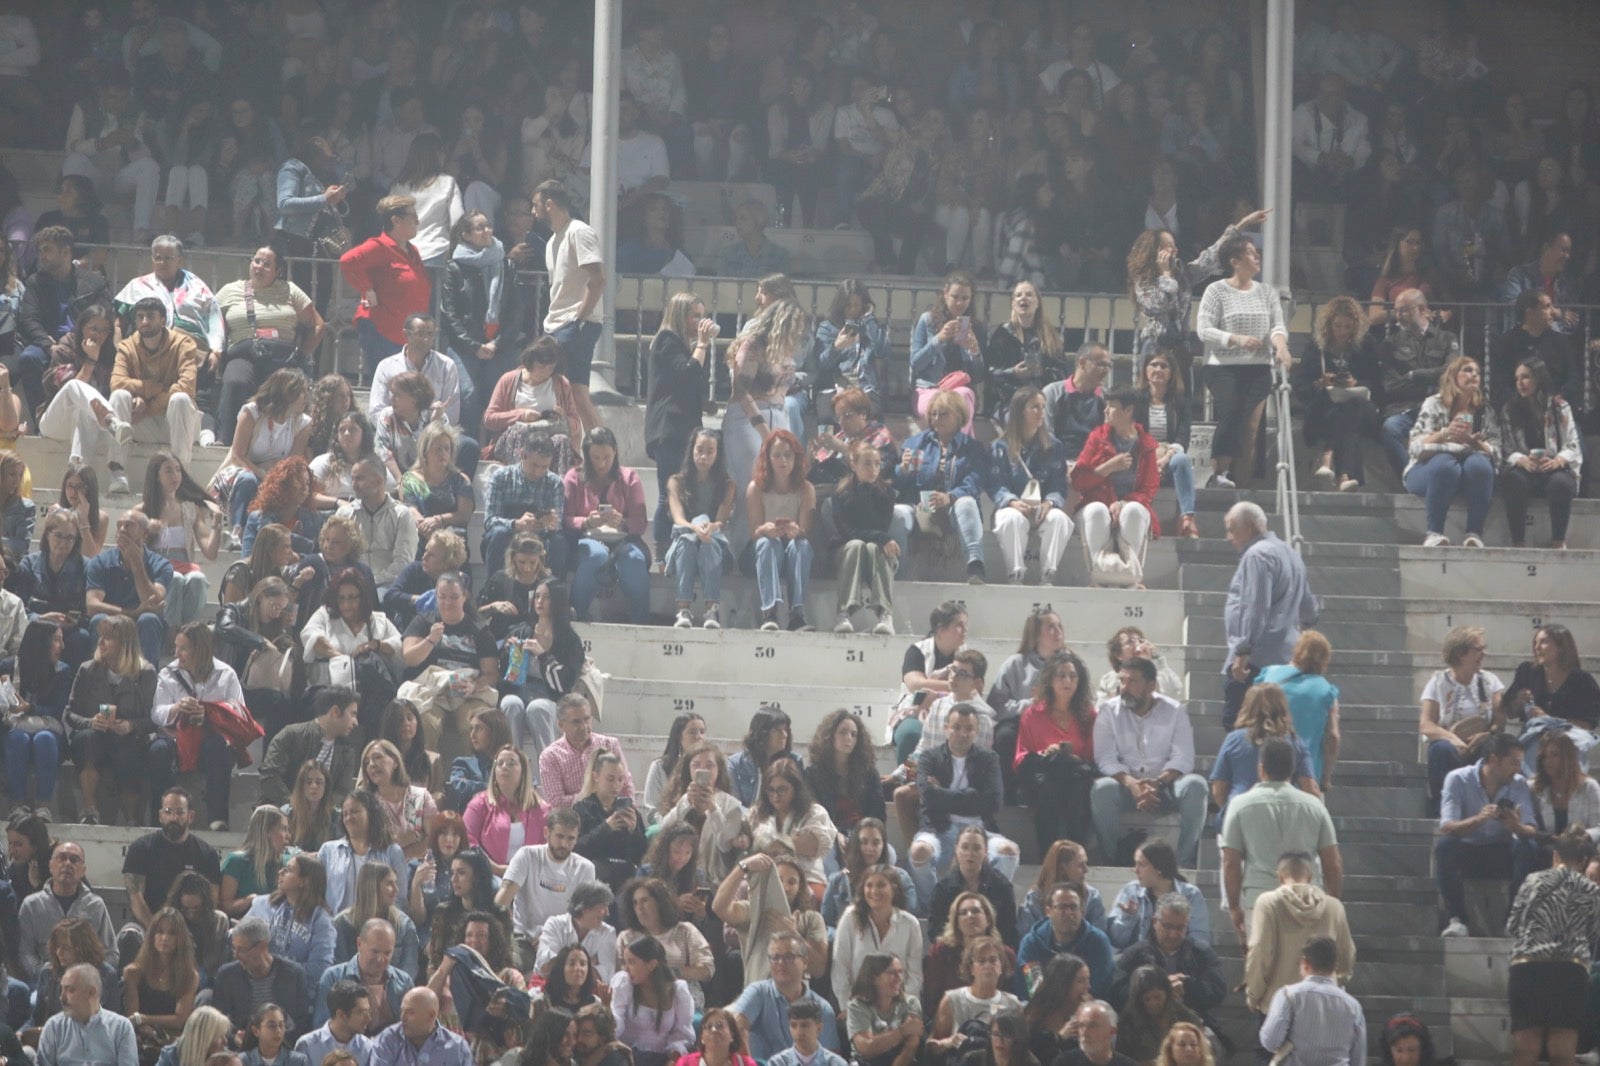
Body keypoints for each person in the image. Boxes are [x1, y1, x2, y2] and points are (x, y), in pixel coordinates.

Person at [1220, 734, 1342, 940]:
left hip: (1259, 903)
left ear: (1261, 768)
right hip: (1308, 903)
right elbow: (1333, 863)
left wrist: (1234, 907)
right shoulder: (1315, 806)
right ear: (1292, 770)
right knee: (1306, 968)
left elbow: (1231, 863)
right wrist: (1332, 904)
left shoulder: (1239, 805)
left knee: (1264, 969)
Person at [1194, 233, 1291, 488]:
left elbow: (1276, 326)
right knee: (1232, 410)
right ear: (1235, 261)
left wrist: (1281, 348)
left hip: (1258, 367)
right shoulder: (1216, 290)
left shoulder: (1267, 292)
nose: (1256, 255)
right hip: (1222, 366)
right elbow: (1204, 329)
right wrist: (1235, 338)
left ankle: (1244, 484)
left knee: (1251, 429)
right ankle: (1219, 474)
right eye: (1250, 252)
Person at [1091, 659, 1208, 866]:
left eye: (1132, 682)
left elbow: (1183, 757)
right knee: (1101, 789)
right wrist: (1132, 784)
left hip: (1165, 786)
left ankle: (1184, 863)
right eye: (1122, 681)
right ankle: (1109, 860)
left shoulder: (1174, 710)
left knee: (1196, 785)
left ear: (1151, 685)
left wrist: (1158, 783)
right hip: (1126, 787)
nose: (1124, 688)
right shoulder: (1109, 711)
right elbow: (1105, 758)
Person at [1221, 501, 1319, 729]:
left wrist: (1243, 649)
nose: (1228, 537)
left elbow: (1255, 606)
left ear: (1250, 528)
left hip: (1255, 663)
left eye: (1231, 529)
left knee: (1241, 730)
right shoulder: (1291, 554)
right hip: (1285, 661)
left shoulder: (1256, 555)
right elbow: (1310, 610)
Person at [1508, 827, 1600, 1066]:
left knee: (1524, 1051)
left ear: (1555, 855)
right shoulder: (1591, 890)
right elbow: (1593, 934)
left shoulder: (1532, 880)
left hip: (1527, 968)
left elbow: (1513, 926)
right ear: (1583, 860)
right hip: (1569, 971)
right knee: (1562, 1053)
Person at [212, 248, 321, 446]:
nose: (259, 267)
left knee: (288, 387)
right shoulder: (230, 290)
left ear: (278, 270)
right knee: (235, 380)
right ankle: (225, 440)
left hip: (282, 356)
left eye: (266, 264)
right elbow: (211, 323)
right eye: (257, 261)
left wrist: (302, 353)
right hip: (243, 352)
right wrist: (215, 352)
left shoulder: (290, 290)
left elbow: (318, 326)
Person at [1436, 732, 1541, 938]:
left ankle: (1513, 919)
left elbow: (1531, 829)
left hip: (1502, 851)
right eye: (1514, 762)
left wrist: (1515, 826)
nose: (1518, 769)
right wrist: (1479, 819)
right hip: (1468, 849)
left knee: (1529, 847)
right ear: (1494, 759)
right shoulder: (1457, 779)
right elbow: (1447, 827)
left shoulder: (1519, 783)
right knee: (1444, 846)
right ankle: (1457, 919)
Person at [147, 625, 248, 829]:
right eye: (176, 647)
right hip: (177, 738)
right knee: (158, 750)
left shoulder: (226, 674)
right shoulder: (168, 674)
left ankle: (217, 819)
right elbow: (156, 713)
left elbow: (240, 711)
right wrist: (177, 708)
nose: (176, 654)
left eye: (183, 648)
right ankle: (161, 820)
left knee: (219, 748)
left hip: (210, 741)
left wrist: (209, 715)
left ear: (200, 649)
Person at [398, 572, 499, 763]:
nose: (447, 603)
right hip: (433, 691)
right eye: (442, 597)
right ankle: (425, 779)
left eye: (453, 597)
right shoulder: (424, 621)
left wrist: (475, 685)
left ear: (464, 597)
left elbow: (491, 673)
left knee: (475, 724)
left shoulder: (479, 629)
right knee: (425, 722)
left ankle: (471, 778)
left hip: (467, 692)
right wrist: (430, 640)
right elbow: (409, 658)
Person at [1406, 351, 1503, 551]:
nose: (1474, 375)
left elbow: (1498, 453)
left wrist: (1476, 444)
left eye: (1477, 371)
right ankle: (1434, 533)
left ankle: (1474, 533)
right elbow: (1415, 446)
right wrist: (1445, 433)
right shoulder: (1434, 403)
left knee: (1480, 465)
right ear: (1453, 377)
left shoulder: (1485, 411)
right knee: (1445, 464)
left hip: (1470, 476)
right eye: (1467, 370)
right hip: (1429, 470)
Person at [645, 294, 715, 557]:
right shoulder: (666, 340)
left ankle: (676, 548)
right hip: (669, 428)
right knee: (669, 491)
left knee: (681, 491)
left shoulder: (681, 344)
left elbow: (681, 384)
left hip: (683, 426)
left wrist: (703, 402)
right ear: (680, 315)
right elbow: (687, 372)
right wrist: (704, 344)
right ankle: (661, 550)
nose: (699, 321)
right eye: (694, 315)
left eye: (702, 315)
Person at [892, 391, 987, 583]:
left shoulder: (973, 448)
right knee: (897, 512)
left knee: (967, 502)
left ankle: (975, 566)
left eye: (943, 414)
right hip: (919, 506)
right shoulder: (914, 443)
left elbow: (976, 481)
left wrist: (950, 497)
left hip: (953, 505)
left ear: (959, 415)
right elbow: (898, 484)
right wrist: (902, 469)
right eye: (934, 414)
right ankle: (896, 571)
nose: (937, 419)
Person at [533, 180, 604, 436]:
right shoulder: (552, 241)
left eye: (535, 205)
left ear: (549, 204)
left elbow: (598, 278)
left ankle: (596, 452)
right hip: (558, 324)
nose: (533, 211)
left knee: (549, 383)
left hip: (574, 325)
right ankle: (597, 450)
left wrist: (579, 319)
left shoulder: (579, 232)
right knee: (575, 392)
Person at [1245, 851, 1355, 1015]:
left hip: (1276, 1004)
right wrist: (1335, 981)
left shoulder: (1267, 903)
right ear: (1310, 876)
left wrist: (1253, 994)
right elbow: (1347, 954)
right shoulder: (1334, 907)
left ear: (1280, 877)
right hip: (1323, 1005)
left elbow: (1259, 950)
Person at [1071, 388, 1160, 587]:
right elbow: (1078, 480)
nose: (1105, 411)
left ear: (1128, 411)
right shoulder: (1097, 437)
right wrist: (1108, 467)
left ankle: (1131, 579)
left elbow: (1149, 488)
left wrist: (1123, 502)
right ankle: (1097, 578)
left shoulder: (1146, 444)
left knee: (1135, 511)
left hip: (1128, 505)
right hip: (1097, 504)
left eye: (1111, 407)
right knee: (1097, 511)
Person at [339, 195, 429, 385]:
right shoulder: (378, 246)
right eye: (413, 217)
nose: (418, 221)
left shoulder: (412, 251)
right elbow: (348, 261)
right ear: (396, 221)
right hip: (383, 331)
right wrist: (367, 288)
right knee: (389, 388)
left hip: (402, 332)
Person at [1295, 295, 1382, 491]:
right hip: (1326, 409)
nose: (1342, 332)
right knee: (1342, 414)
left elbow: (1379, 384)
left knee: (1353, 407)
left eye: (1347, 327)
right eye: (1338, 326)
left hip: (1362, 406)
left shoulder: (1366, 346)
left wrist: (1356, 382)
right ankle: (1345, 476)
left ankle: (1326, 457)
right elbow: (1301, 387)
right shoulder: (1316, 348)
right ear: (1329, 325)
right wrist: (1320, 383)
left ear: (1355, 327)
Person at [564, 426, 649, 624]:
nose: (601, 464)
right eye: (595, 458)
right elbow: (564, 518)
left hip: (623, 540)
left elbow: (640, 522)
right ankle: (576, 613)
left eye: (607, 457)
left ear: (615, 453)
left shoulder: (629, 478)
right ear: (587, 455)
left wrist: (623, 523)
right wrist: (585, 521)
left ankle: (641, 621)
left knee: (634, 559)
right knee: (596, 555)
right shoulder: (573, 477)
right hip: (585, 539)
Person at [1108, 889, 1227, 1028]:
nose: (1173, 934)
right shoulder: (1135, 953)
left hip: (1190, 1025)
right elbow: (1115, 992)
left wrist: (1187, 987)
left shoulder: (1201, 953)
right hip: (1142, 1025)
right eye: (1168, 926)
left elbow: (1218, 992)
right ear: (1154, 922)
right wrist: (1151, 990)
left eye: (1180, 928)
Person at [987, 388, 1070, 586]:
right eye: (1035, 407)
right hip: (1012, 508)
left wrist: (1050, 502)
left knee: (1060, 519)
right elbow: (995, 484)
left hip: (1041, 509)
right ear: (1020, 411)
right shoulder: (1000, 447)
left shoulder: (1054, 446)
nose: (1041, 412)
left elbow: (1058, 484)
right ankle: (1015, 575)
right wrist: (1013, 502)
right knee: (1011, 519)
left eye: (1043, 407)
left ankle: (1048, 574)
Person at [1499, 356, 1580, 549]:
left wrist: (1558, 460)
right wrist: (1521, 460)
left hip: (1552, 467)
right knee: (1513, 479)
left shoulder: (1560, 406)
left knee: (1561, 483)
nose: (1520, 383)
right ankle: (1518, 542)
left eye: (1525, 377)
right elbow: (1506, 448)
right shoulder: (1510, 408)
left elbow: (1573, 444)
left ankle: (1558, 541)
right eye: (1517, 379)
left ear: (1538, 378)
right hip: (1525, 468)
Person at [1210, 684, 1321, 824]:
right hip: (1281, 818)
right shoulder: (1295, 742)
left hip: (1238, 814)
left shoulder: (1233, 740)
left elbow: (1218, 789)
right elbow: (1310, 789)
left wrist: (1230, 812)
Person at [1378, 289, 1461, 475]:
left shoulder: (1447, 339)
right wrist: (1431, 383)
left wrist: (1414, 375)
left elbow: (1452, 374)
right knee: (1390, 428)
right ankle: (1413, 475)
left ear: (1422, 309)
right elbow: (1391, 385)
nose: (1398, 316)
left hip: (1440, 407)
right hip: (1405, 408)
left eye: (1404, 310)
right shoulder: (1390, 344)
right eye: (1396, 311)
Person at [496, 806, 597, 954]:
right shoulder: (526, 856)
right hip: (524, 939)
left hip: (564, 943)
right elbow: (502, 901)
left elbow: (585, 918)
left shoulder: (586, 868)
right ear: (546, 833)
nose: (564, 844)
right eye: (560, 836)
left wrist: (552, 937)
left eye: (570, 838)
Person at [730, 930, 841, 1062]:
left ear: (805, 963)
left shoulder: (822, 1008)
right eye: (775, 957)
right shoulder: (758, 992)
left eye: (789, 957)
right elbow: (735, 1028)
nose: (781, 963)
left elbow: (832, 1057)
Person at [744, 429, 816, 632]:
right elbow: (753, 533)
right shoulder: (755, 488)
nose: (783, 461)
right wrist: (766, 529)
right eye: (777, 455)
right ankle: (770, 612)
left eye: (788, 455)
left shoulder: (806, 488)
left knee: (801, 545)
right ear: (768, 459)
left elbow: (806, 531)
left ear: (796, 458)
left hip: (791, 550)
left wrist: (795, 530)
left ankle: (796, 613)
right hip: (760, 552)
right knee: (768, 543)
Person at [18, 841, 119, 983]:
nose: (67, 863)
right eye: (62, 858)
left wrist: (88, 975)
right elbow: (25, 953)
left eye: (74, 860)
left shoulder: (95, 905)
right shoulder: (31, 905)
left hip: (87, 982)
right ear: (50, 866)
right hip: (47, 981)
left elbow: (110, 953)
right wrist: (45, 973)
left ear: (83, 870)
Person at [665, 429, 735, 630]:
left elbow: (720, 521)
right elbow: (678, 518)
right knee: (688, 541)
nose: (704, 456)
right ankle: (683, 609)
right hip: (684, 542)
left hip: (715, 546)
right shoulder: (676, 481)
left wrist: (709, 528)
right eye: (700, 450)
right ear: (692, 450)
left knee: (708, 543)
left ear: (718, 454)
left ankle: (711, 609)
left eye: (710, 451)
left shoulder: (728, 485)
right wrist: (695, 527)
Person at [1258, 938, 1366, 1066]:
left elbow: (1270, 1042)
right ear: (1335, 966)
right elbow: (1358, 1059)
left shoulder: (1288, 996)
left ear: (1305, 962)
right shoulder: (1354, 1006)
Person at [1256, 632, 1343, 790]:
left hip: (1264, 770)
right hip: (1306, 778)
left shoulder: (1268, 675)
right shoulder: (1327, 691)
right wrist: (1326, 778)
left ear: (1297, 650)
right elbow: (1333, 737)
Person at [831, 864, 925, 1008]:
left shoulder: (910, 924)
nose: (874, 891)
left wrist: (908, 1009)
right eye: (869, 885)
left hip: (898, 1006)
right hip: (858, 1005)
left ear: (894, 889)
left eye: (881, 885)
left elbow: (914, 974)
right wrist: (846, 1005)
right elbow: (840, 966)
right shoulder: (850, 917)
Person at [830, 440, 899, 635]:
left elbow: (880, 527)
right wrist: (880, 537)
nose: (873, 469)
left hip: (874, 551)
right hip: (847, 550)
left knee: (874, 547)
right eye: (867, 464)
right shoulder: (841, 493)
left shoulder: (886, 493)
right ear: (854, 465)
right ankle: (843, 613)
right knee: (857, 545)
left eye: (877, 464)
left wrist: (880, 538)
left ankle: (885, 614)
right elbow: (846, 531)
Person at [617, 876, 715, 1010]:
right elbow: (620, 975)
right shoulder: (626, 937)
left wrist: (670, 973)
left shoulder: (685, 931)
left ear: (660, 902)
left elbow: (707, 969)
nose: (639, 907)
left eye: (644, 900)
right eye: (635, 903)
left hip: (682, 1003)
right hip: (639, 1005)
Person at [482, 431, 567, 582]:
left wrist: (549, 523)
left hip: (540, 537)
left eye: (544, 466)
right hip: (508, 535)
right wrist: (515, 524)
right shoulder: (501, 477)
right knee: (497, 534)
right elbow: (490, 520)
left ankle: (553, 590)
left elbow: (557, 523)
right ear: (522, 454)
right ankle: (494, 589)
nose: (538, 472)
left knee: (558, 541)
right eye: (534, 465)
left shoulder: (555, 483)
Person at [245, 852, 336, 993]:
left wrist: (275, 969)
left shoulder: (320, 920)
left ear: (303, 881)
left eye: (288, 870)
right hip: (255, 983)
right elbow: (238, 937)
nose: (280, 872)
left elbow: (320, 968)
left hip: (293, 992)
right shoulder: (263, 904)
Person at [259, 686, 359, 808]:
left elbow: (342, 791)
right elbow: (270, 777)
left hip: (324, 820)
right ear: (335, 711)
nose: (356, 722)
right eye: (353, 714)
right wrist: (295, 805)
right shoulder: (291, 735)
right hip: (283, 813)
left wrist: (320, 812)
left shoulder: (347, 751)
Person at [909, 273, 984, 433]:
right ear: (945, 294)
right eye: (955, 296)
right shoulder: (927, 321)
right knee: (946, 407)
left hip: (960, 389)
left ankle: (960, 450)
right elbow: (916, 363)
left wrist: (975, 351)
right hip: (930, 388)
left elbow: (979, 376)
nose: (959, 303)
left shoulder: (975, 327)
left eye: (965, 298)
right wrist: (938, 339)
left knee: (963, 398)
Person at [122, 906, 200, 1057]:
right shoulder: (133, 972)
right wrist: (149, 1030)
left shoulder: (189, 975)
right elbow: (132, 1017)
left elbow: (180, 1019)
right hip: (140, 1037)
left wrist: (145, 1019)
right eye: (160, 932)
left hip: (173, 1039)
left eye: (172, 933)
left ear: (180, 939)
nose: (164, 938)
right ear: (152, 935)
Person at [212, 918, 311, 1035]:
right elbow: (217, 1025)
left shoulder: (293, 975)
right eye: (234, 948)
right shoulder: (227, 976)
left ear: (262, 946)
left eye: (242, 950)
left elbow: (302, 1024)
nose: (236, 955)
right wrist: (235, 1039)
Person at [1107, 840, 1211, 950]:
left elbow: (1200, 940)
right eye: (1135, 864)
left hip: (1178, 960)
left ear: (1159, 868)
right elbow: (1115, 940)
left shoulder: (1191, 894)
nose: (1135, 870)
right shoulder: (1130, 891)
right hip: (1138, 961)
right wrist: (1128, 917)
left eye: (1141, 865)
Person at [317, 790, 407, 917]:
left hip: (377, 929)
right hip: (336, 929)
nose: (348, 818)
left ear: (371, 814)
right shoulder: (328, 851)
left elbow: (400, 900)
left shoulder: (392, 852)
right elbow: (315, 894)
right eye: (345, 814)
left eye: (354, 812)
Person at [1017, 882, 1113, 1000]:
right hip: (1044, 1007)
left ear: (1082, 912)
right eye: (1062, 907)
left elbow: (1099, 988)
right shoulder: (1031, 943)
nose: (1068, 913)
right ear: (1048, 911)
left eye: (1073, 907)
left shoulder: (1098, 942)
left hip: (1084, 1006)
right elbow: (1032, 989)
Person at [538, 693, 632, 813]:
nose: (584, 726)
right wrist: (595, 797)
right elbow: (556, 802)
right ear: (561, 725)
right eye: (576, 722)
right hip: (573, 823)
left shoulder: (610, 745)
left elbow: (626, 786)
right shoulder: (550, 756)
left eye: (587, 719)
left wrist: (627, 813)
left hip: (611, 815)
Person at [314, 920, 411, 1032]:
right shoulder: (333, 978)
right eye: (375, 951)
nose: (380, 959)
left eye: (387, 953)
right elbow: (322, 1030)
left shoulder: (404, 981)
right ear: (359, 944)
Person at [338, 458, 418, 592]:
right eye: (352, 479)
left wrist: (372, 582)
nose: (354, 485)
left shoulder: (402, 515)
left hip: (388, 584)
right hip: (350, 583)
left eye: (360, 479)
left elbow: (403, 563)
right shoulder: (344, 514)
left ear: (379, 481)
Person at [37, 963, 138, 1066]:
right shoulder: (54, 1026)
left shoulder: (121, 1028)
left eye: (70, 990)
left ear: (91, 992)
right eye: (62, 989)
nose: (62, 997)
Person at [330, 863, 418, 981]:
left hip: (393, 992)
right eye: (389, 884)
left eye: (396, 883)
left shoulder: (404, 924)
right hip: (351, 992)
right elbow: (340, 971)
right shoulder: (342, 924)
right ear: (371, 886)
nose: (396, 889)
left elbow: (408, 971)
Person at [221, 805, 291, 917]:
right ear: (267, 831)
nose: (289, 836)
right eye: (284, 829)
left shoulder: (289, 863)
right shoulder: (236, 862)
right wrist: (250, 901)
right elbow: (224, 906)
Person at [369, 989, 471, 1066]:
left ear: (431, 1015)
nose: (402, 1018)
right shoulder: (388, 1039)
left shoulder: (457, 1047)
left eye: (410, 1012)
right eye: (402, 1011)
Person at [295, 981, 372, 1066]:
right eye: (361, 1012)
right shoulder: (307, 1046)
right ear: (341, 1014)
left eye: (368, 1011)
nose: (368, 1019)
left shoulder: (369, 1049)